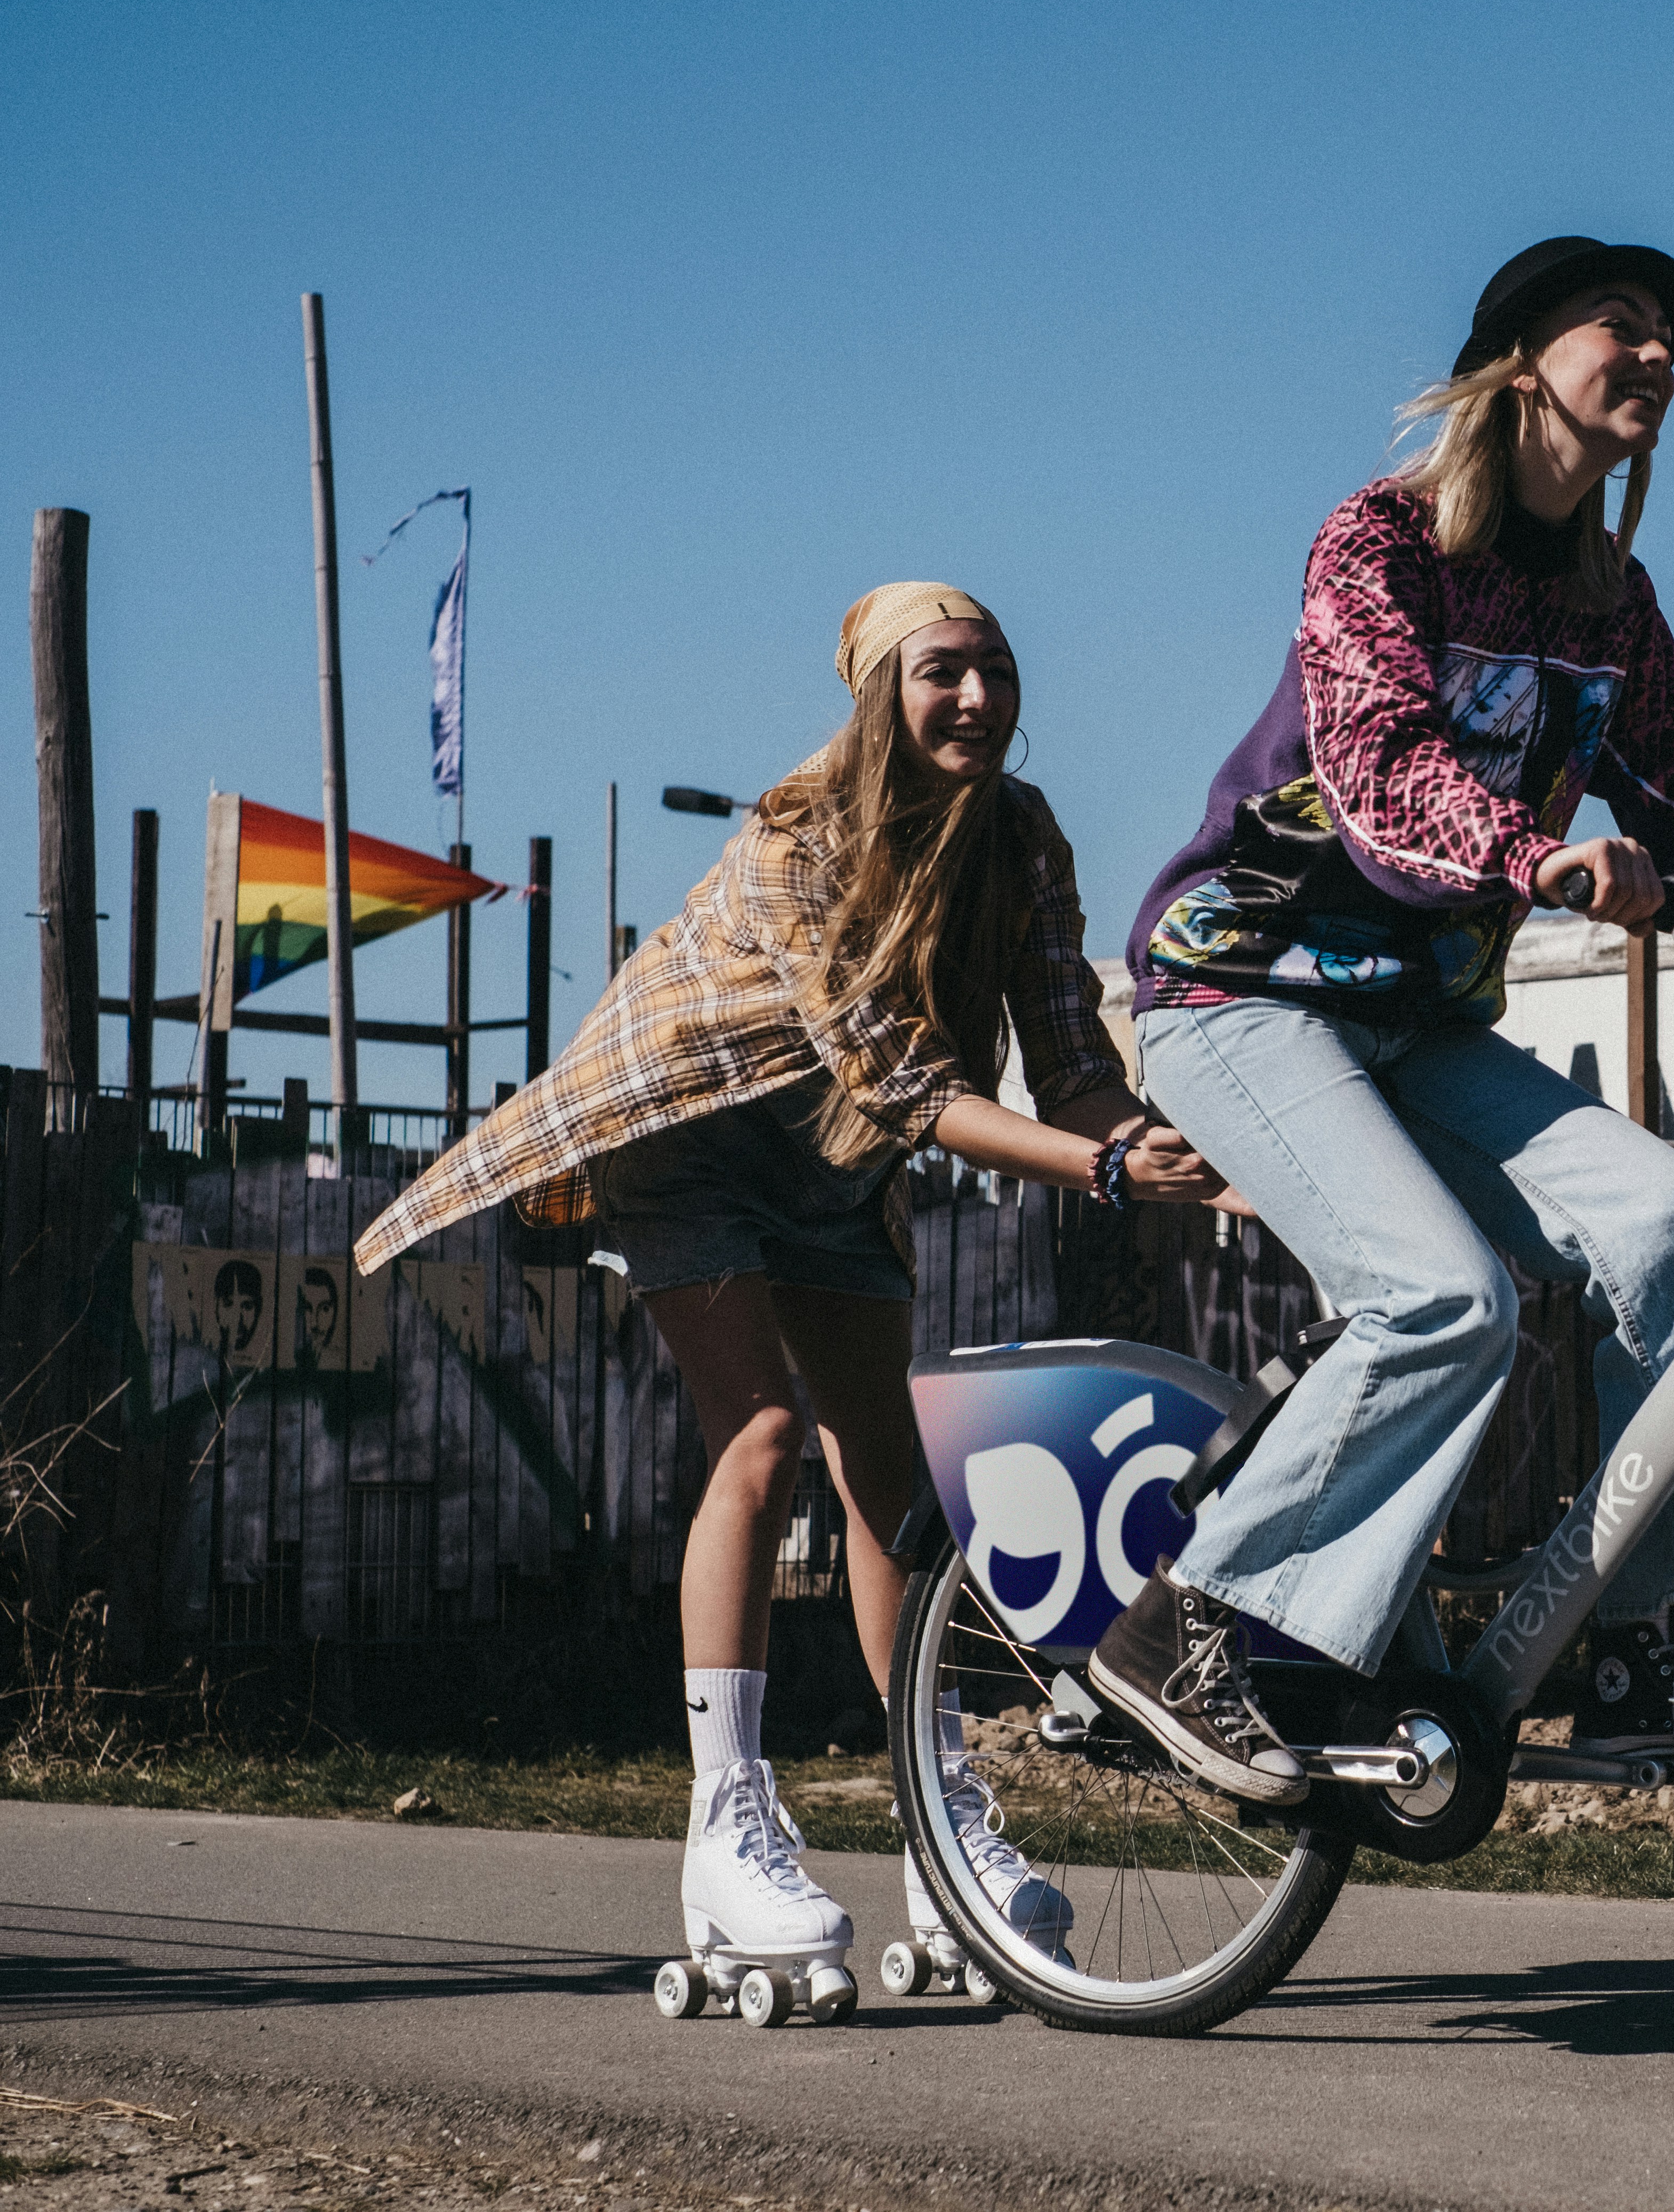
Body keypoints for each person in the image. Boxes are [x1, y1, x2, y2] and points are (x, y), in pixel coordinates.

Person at [1101, 236, 1674, 1803]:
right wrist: (1534, 854)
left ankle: (1650, 1662)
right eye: (1620, 328)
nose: (1655, 358)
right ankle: (1198, 1628)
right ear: (1518, 362)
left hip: (1416, 1019)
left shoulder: (1607, 602)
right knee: (1443, 1300)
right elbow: (1378, 769)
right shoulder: (1380, 544)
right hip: (1242, 989)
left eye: (1670, 343)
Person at [357, 582, 1230, 1988]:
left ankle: (938, 1825)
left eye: (998, 671)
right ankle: (726, 1820)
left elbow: (1068, 1059)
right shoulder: (797, 829)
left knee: (893, 1489)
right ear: (879, 688)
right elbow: (907, 1079)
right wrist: (1106, 1175)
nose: (978, 700)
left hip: (837, 1159)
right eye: (943, 671)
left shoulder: (1021, 836)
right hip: (698, 1132)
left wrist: (1147, 1140)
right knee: (759, 1439)